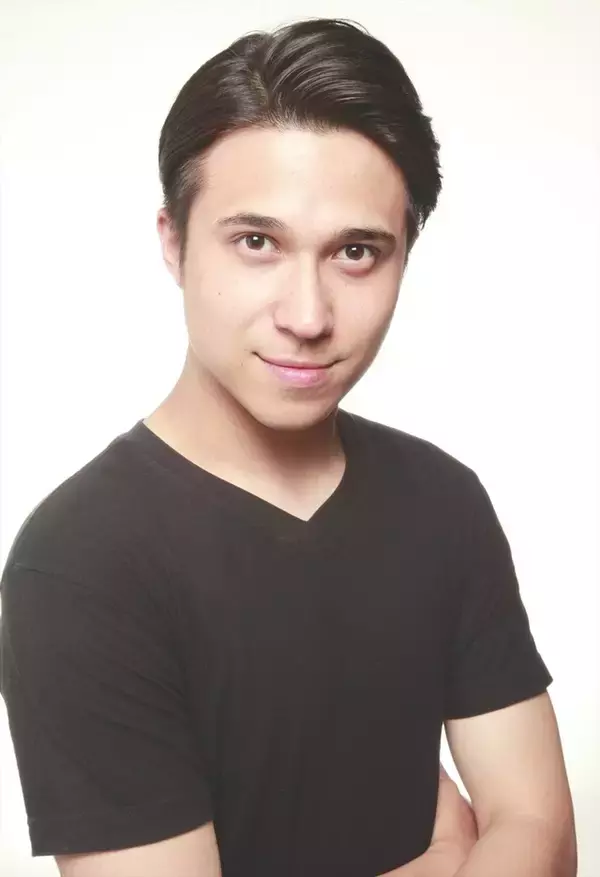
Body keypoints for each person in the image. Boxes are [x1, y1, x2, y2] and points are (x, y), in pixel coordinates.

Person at [0, 16, 576, 877]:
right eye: (257, 242)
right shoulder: (80, 562)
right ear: (173, 242)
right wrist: (449, 855)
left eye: (356, 252)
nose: (307, 315)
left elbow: (540, 830)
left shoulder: (442, 500)